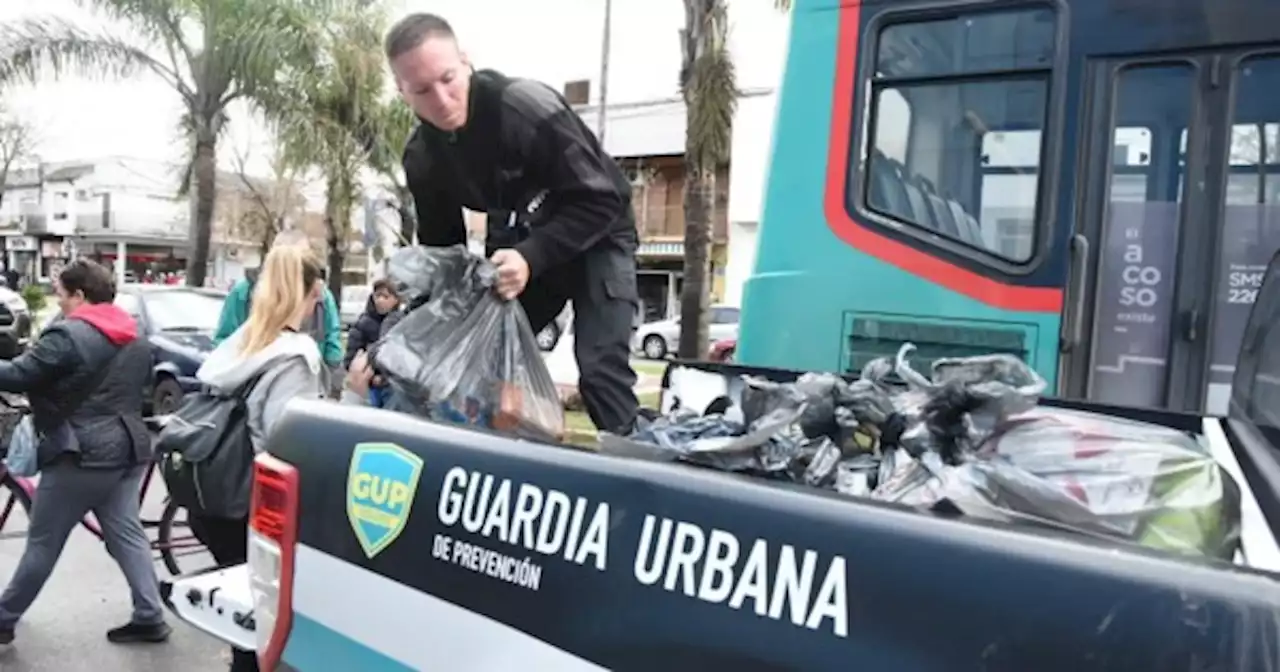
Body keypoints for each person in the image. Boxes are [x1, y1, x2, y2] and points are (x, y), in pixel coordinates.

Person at [387, 13, 641, 435]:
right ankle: (502, 462)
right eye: (423, 90)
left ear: (465, 62)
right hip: (525, 244)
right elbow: (442, 252)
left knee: (600, 371)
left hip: (599, 233)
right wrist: (419, 329)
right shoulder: (423, 158)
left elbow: (603, 198)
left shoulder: (524, 108)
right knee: (479, 352)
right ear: (403, 93)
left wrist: (529, 255)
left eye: (448, 79)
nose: (443, 99)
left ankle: (642, 478)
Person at [0, 259, 168, 646]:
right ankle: (149, 614)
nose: (58, 303)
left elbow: (22, 374)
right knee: (126, 534)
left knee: (43, 541)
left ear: (79, 295)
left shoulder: (69, 336)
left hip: (81, 453)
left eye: (60, 295)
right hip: (128, 448)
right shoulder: (134, 334)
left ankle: (4, 616)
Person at [193, 243, 331, 672]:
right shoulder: (295, 357)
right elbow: (288, 443)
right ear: (304, 294)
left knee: (246, 630)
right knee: (266, 640)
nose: (315, 308)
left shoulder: (242, 343)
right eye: (315, 298)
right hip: (253, 509)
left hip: (213, 499)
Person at [213, 230, 343, 372]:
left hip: (307, 380)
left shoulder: (320, 295)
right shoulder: (244, 292)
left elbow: (333, 345)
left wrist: (327, 381)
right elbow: (224, 345)